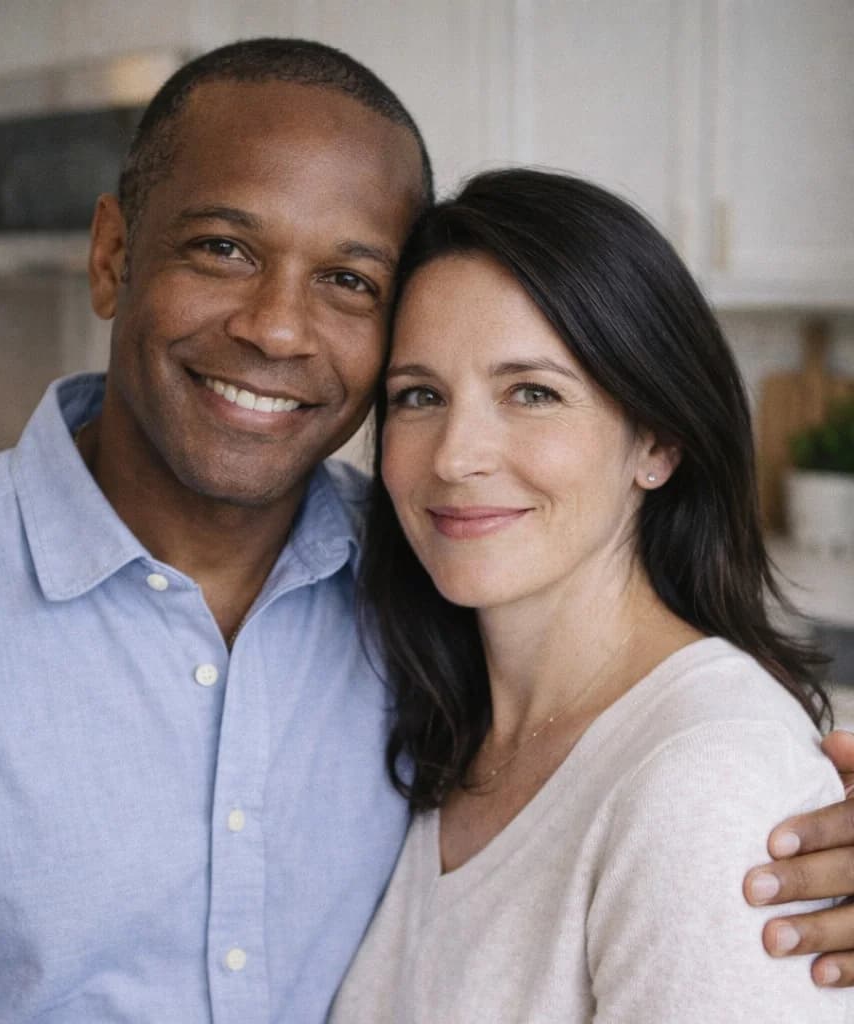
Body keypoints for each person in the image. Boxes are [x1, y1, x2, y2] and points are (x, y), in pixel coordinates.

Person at [0, 38, 851, 1024]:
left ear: (656, 441)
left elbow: (690, 779)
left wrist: (753, 785)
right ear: (110, 257)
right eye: (223, 248)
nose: (276, 328)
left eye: (349, 281)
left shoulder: (443, 593)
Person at [329, 168, 849, 1021]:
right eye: (419, 396)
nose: (456, 456)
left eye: (531, 393)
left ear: (658, 441)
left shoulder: (707, 785)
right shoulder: (441, 722)